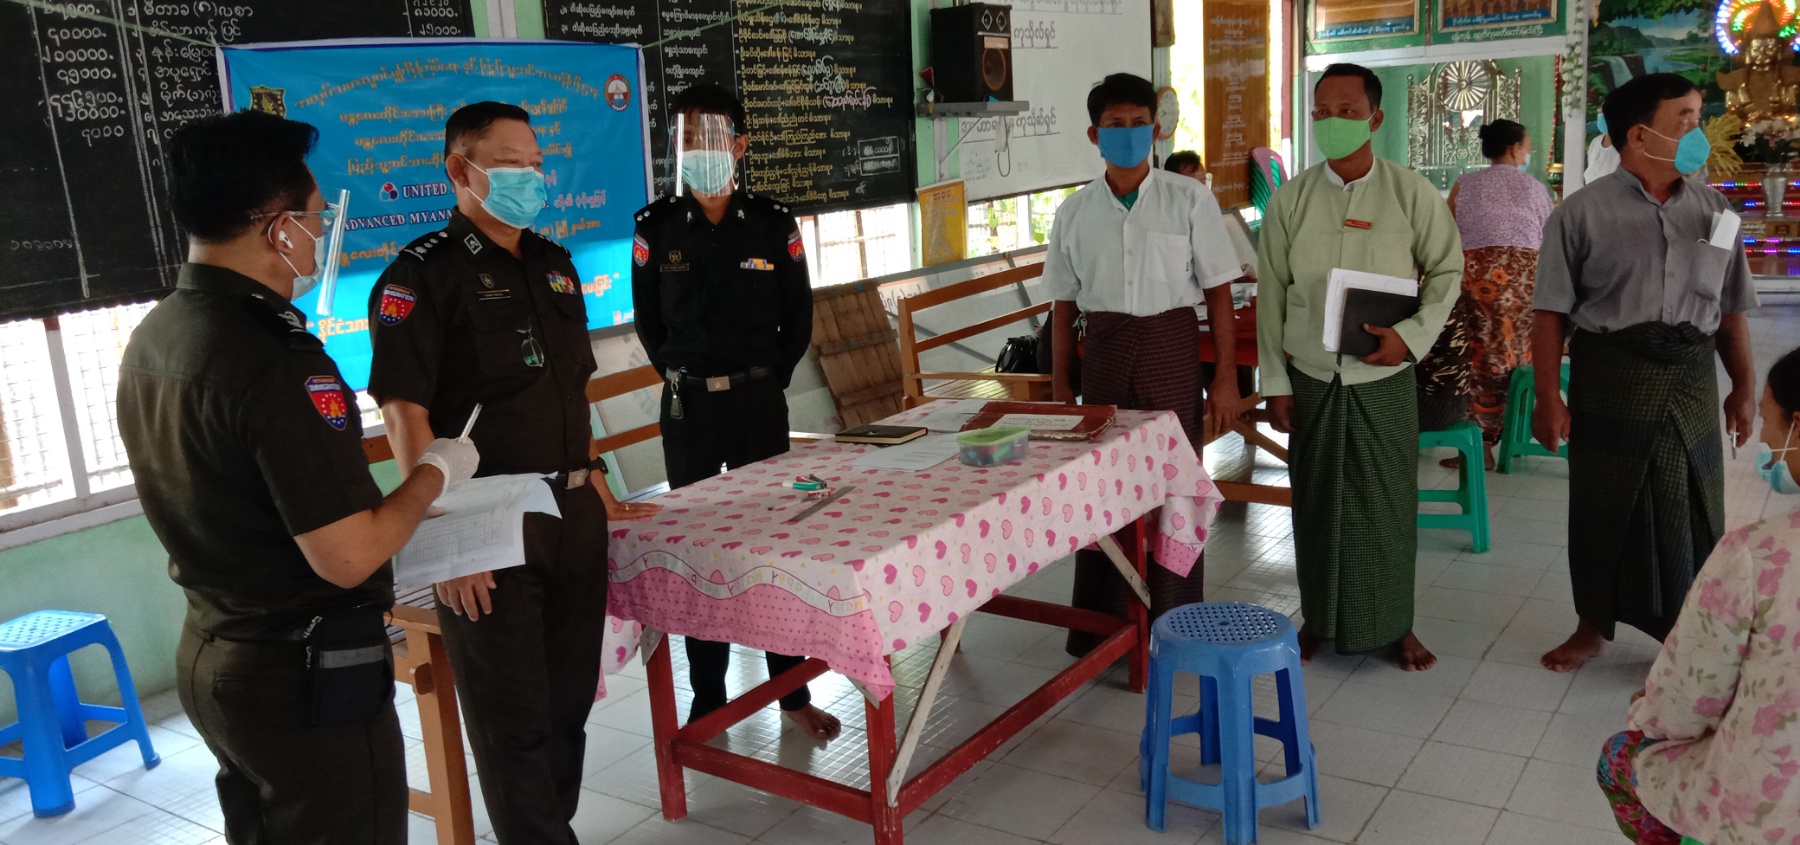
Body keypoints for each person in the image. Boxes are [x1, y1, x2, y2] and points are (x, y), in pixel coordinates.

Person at [117, 110, 480, 844]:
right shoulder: (277, 361)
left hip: (214, 650)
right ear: (278, 228)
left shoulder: (160, 332)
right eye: (315, 218)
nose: (319, 233)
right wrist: (434, 472)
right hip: (303, 676)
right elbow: (347, 555)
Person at [366, 102, 656, 844]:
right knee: (511, 722)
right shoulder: (420, 275)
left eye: (535, 163)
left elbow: (568, 394)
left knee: (567, 705)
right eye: (509, 164)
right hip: (487, 526)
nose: (531, 177)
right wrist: (447, 541)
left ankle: (549, 829)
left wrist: (598, 482)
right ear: (460, 170)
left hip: (572, 512)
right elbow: (403, 414)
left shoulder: (554, 265)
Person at [629, 83, 841, 741]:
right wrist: (691, 378)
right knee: (699, 553)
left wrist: (762, 381)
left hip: (757, 404)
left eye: (712, 137)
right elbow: (649, 325)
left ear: (740, 145)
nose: (699, 149)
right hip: (688, 408)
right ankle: (709, 698)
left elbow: (798, 318)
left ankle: (792, 693)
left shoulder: (773, 223)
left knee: (774, 543)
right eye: (687, 139)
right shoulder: (655, 225)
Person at [1533, 74, 1758, 673]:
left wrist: (1743, 387)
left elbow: (1731, 307)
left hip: (1691, 375)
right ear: (1639, 134)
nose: (1697, 130)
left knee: (1694, 504)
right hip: (1612, 374)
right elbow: (1550, 314)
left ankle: (1689, 632)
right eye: (1685, 118)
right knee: (1604, 504)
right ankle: (1591, 626)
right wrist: (1548, 397)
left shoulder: (1716, 211)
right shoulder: (1580, 214)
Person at [1257, 63, 1464, 670]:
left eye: (1348, 112)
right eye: (1322, 112)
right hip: (1311, 379)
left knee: (1387, 503)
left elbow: (1447, 270)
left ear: (1375, 118)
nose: (1333, 122)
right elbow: (1271, 297)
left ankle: (1397, 625)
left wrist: (1410, 337)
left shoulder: (1410, 194)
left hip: (1383, 377)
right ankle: (1319, 620)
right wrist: (1275, 384)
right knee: (1316, 503)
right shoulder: (1291, 199)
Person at [1042, 73, 1244, 654]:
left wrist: (1225, 380)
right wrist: (1060, 386)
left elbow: (1219, 293)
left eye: (1138, 124)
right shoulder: (1074, 213)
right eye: (1115, 125)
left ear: (1155, 131)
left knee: (1172, 491)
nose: (1128, 134)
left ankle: (1174, 626)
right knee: (1106, 492)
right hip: (1104, 360)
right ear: (1094, 134)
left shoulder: (1189, 200)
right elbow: (1063, 307)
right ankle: (1105, 629)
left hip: (1171, 357)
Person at [1595, 346, 1800, 845]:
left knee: (1619, 756)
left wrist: (1646, 714)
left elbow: (1688, 698)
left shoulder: (1757, 556)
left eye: (1770, 421)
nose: (1766, 440)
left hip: (1765, 816)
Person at [1439, 119, 1554, 466]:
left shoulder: (1464, 185)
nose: (1528, 152)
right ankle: (1515, 435)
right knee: (1517, 360)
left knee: (1476, 360)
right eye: (1527, 146)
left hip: (1476, 284)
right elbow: (1549, 239)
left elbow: (1446, 233)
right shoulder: (1536, 189)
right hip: (1523, 287)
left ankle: (1480, 447)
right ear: (1514, 148)